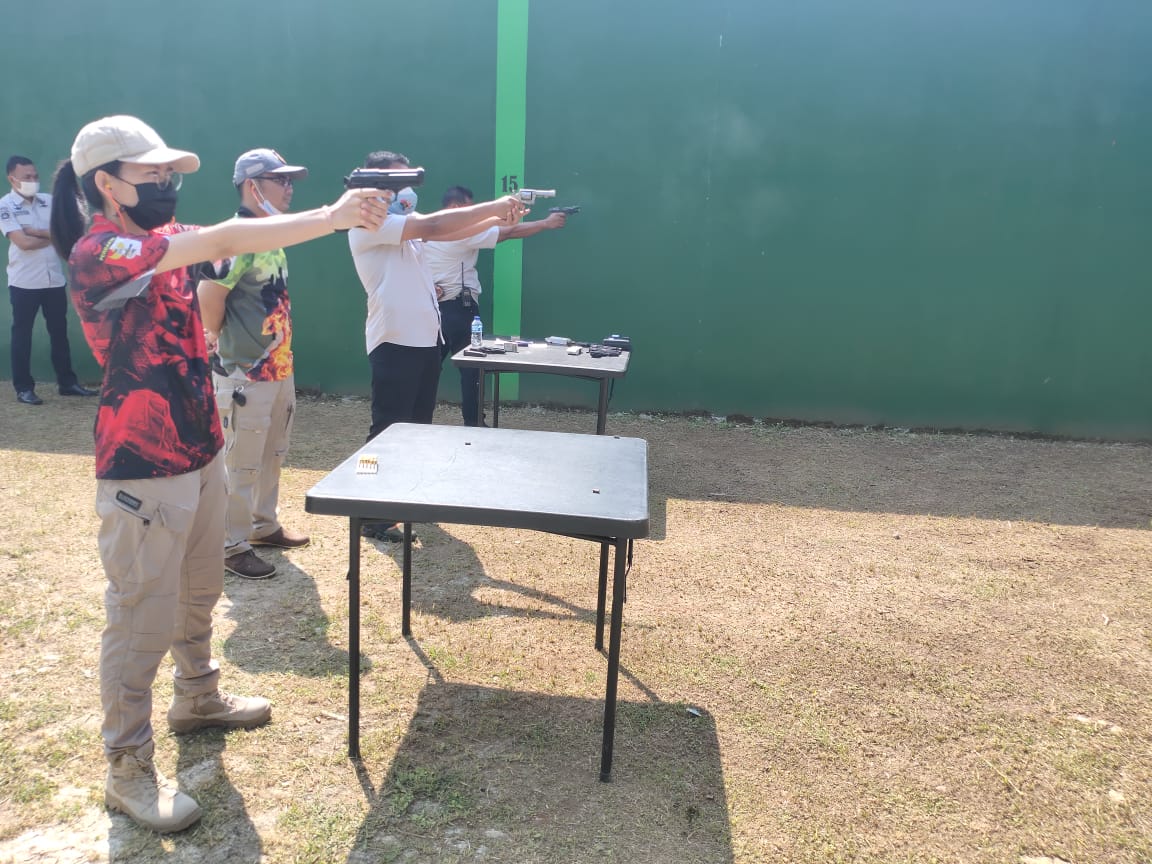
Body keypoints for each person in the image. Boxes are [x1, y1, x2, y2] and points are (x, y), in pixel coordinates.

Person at [50, 115, 386, 834]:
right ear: (106, 183)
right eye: (150, 175)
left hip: (200, 447)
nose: (167, 185)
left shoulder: (165, 241)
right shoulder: (99, 250)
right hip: (143, 465)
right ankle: (127, 767)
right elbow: (226, 240)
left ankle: (196, 696)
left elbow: (233, 242)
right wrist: (329, 216)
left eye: (169, 174)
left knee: (199, 591)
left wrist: (340, 215)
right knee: (141, 612)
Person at [347, 151, 525, 541]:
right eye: (393, 182)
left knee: (416, 430)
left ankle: (403, 500)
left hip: (426, 341)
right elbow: (437, 223)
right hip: (394, 342)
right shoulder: (366, 223)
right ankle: (367, 510)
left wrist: (496, 217)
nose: (403, 189)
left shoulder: (403, 227)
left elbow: (446, 230)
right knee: (385, 431)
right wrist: (493, 208)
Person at [196, 149, 312, 581]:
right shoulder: (235, 237)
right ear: (252, 186)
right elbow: (209, 298)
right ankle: (230, 545)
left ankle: (264, 526)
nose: (289, 188)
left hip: (278, 369)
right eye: (279, 180)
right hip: (245, 373)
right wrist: (226, 352)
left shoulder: (269, 235)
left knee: (272, 452)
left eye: (290, 180)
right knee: (241, 460)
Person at [422, 185, 568, 426]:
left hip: (433, 309)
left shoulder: (429, 231)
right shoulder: (460, 231)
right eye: (470, 207)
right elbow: (508, 233)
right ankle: (474, 424)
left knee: (427, 372)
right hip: (460, 311)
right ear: (456, 207)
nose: (474, 212)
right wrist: (545, 223)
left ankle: (415, 422)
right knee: (472, 372)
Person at [1, 155, 96, 404]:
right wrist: (52, 234)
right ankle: (23, 388)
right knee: (22, 334)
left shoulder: (50, 201)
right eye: (26, 177)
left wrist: (37, 232)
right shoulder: (5, 205)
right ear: (12, 179)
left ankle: (68, 383)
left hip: (54, 279)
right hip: (24, 282)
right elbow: (23, 242)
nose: (33, 181)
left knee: (59, 332)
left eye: (35, 176)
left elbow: (72, 233)